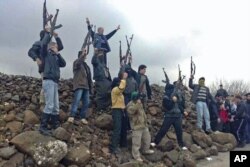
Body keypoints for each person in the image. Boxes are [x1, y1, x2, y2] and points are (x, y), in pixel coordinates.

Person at [39, 27, 66, 135]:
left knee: (55, 106)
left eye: (56, 46)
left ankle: (55, 125)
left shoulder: (56, 57)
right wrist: (48, 33)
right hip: (48, 81)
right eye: (54, 46)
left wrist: (58, 52)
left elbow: (63, 64)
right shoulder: (45, 54)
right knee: (49, 104)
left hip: (55, 82)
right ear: (50, 47)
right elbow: (44, 43)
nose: (56, 47)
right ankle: (43, 127)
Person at [28, 30, 63, 104]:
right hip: (44, 66)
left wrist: (56, 37)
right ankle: (43, 101)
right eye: (48, 34)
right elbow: (30, 51)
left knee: (51, 85)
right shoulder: (39, 43)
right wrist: (36, 58)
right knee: (46, 84)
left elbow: (60, 47)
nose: (49, 36)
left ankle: (49, 101)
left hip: (53, 69)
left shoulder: (50, 45)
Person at [153, 82, 188, 150]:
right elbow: (167, 106)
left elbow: (180, 105)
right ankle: (155, 142)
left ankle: (181, 145)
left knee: (179, 131)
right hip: (169, 115)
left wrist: (183, 111)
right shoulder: (166, 96)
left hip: (178, 116)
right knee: (163, 129)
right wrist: (172, 100)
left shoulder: (178, 95)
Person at [127, 92, 154, 162]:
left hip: (143, 125)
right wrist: (137, 104)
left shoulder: (140, 103)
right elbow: (131, 111)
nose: (139, 99)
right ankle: (136, 156)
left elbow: (142, 113)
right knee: (136, 142)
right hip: (136, 126)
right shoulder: (130, 105)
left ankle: (145, 150)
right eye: (138, 97)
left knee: (147, 138)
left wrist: (146, 120)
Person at [67, 49, 92, 125]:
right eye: (84, 55)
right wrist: (82, 55)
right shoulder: (76, 62)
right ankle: (72, 116)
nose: (85, 56)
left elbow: (89, 77)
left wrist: (91, 87)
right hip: (79, 85)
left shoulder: (86, 66)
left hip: (86, 86)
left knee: (86, 102)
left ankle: (82, 117)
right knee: (77, 100)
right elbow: (78, 62)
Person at [109, 72, 128, 154]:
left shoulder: (118, 92)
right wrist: (123, 79)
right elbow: (121, 88)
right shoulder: (115, 90)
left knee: (121, 128)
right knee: (117, 129)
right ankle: (113, 147)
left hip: (121, 110)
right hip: (116, 110)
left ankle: (120, 144)